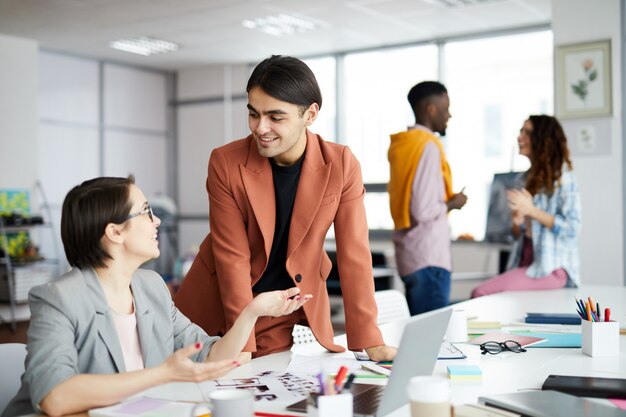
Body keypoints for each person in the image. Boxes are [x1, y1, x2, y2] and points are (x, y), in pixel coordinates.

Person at [2, 177, 310, 417]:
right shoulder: (57, 298)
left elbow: (209, 356)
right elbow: (56, 397)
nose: (157, 221)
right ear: (115, 232)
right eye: (146, 212)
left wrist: (252, 312)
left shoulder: (151, 287)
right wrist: (162, 374)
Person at [175, 55, 396, 362]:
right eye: (254, 114)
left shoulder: (341, 164)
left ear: (310, 114)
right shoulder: (226, 162)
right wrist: (241, 347)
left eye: (275, 117)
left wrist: (371, 340)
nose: (261, 128)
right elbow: (232, 260)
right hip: (215, 305)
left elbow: (354, 254)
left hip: (281, 309)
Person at [471, 115, 581, 297]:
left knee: (480, 292)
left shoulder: (563, 177)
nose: (520, 137)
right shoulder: (522, 179)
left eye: (527, 133)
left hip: (551, 269)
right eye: (521, 132)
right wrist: (516, 222)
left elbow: (572, 229)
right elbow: (517, 237)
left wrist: (532, 211)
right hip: (524, 263)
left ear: (543, 139)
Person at [388, 81, 467, 316]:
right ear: (431, 109)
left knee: (419, 332)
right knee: (433, 342)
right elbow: (423, 210)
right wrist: (454, 202)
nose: (449, 115)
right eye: (446, 108)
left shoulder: (403, 145)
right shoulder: (429, 147)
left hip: (410, 255)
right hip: (429, 258)